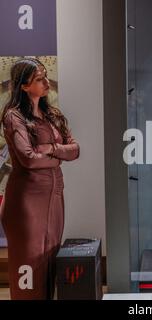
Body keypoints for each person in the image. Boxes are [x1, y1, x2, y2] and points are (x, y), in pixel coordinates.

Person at [0, 58, 80, 300]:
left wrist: (50, 148)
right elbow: (29, 159)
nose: (47, 82)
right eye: (39, 79)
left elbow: (75, 150)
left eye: (46, 76)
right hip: (26, 203)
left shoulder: (52, 114)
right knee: (30, 266)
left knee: (49, 263)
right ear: (24, 86)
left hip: (54, 198)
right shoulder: (14, 117)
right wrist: (57, 155)